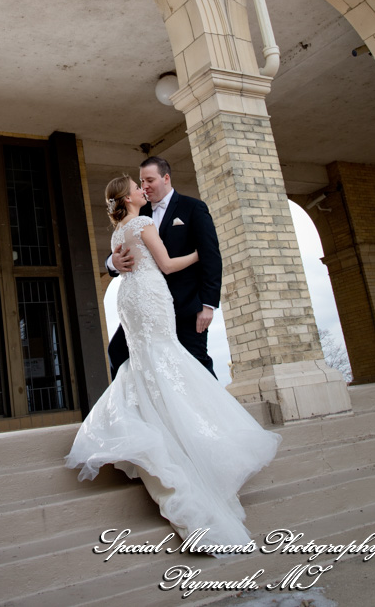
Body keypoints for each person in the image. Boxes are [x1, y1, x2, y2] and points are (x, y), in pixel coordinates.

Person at [66, 175, 281, 546]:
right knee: (163, 356)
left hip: (131, 299)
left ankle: (157, 413)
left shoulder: (121, 229)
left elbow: (125, 254)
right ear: (129, 195)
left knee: (151, 359)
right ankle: (186, 433)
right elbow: (165, 264)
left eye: (146, 181)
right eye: (137, 185)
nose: (142, 188)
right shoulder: (144, 221)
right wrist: (201, 252)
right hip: (150, 294)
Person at [107, 156, 221, 379]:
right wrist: (113, 262)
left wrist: (208, 304)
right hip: (148, 305)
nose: (145, 186)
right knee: (117, 352)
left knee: (196, 364)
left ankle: (217, 413)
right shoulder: (140, 214)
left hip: (186, 304)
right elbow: (117, 251)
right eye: (141, 182)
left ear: (166, 178)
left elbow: (212, 257)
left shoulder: (193, 208)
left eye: (149, 180)